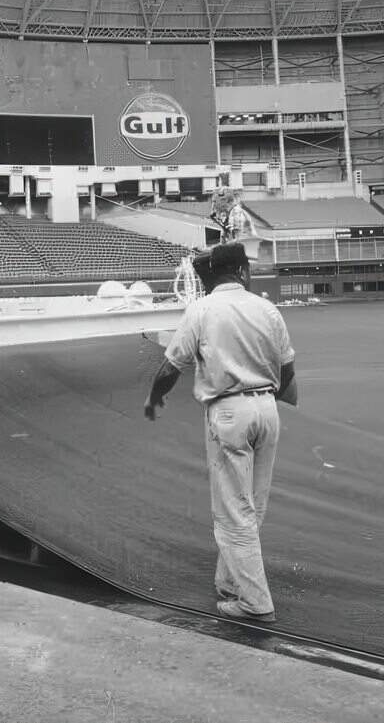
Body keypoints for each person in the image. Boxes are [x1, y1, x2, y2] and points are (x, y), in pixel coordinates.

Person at [144, 243, 296, 622]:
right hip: (267, 409)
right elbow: (288, 371)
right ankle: (230, 583)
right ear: (243, 272)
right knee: (253, 506)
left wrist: (153, 399)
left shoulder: (202, 309)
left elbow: (170, 367)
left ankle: (256, 605)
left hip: (230, 412)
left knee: (233, 514)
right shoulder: (267, 308)